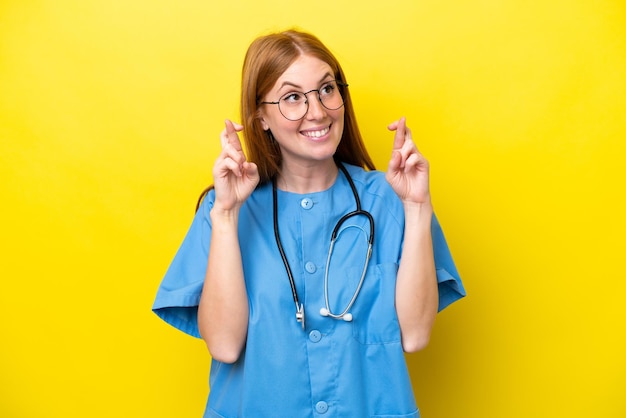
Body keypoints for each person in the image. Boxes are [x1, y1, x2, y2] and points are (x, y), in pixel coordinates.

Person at [153, 29, 466, 418]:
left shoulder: (392, 200)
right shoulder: (227, 208)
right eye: (292, 98)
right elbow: (225, 346)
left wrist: (418, 208)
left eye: (327, 89)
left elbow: (415, 336)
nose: (317, 112)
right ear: (260, 118)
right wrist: (227, 216)